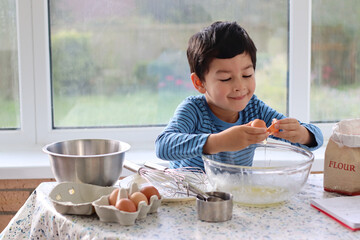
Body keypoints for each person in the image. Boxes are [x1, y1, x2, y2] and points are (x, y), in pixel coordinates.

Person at [155, 21, 323, 171]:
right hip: (189, 196)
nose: (240, 87)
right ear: (199, 82)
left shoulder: (254, 109)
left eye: (247, 75)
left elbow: (318, 138)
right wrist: (218, 142)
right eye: (226, 78)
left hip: (234, 195)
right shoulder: (193, 110)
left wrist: (301, 134)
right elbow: (163, 146)